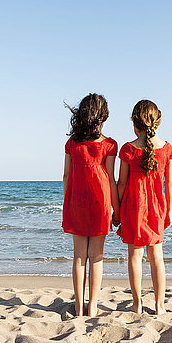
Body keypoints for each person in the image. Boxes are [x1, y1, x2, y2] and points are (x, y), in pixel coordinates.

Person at [62, 93, 120, 317]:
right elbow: (110, 180)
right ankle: (93, 306)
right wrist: (116, 209)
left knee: (79, 256)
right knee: (96, 256)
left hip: (76, 201)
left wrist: (68, 200)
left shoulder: (71, 143)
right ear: (102, 116)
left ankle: (78, 307)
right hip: (100, 203)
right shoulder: (109, 145)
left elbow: (66, 176)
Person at [117, 99, 172, 315]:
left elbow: (121, 183)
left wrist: (117, 209)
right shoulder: (166, 149)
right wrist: (168, 209)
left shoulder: (128, 149)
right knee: (157, 256)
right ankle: (160, 306)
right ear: (157, 122)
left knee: (135, 256)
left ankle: (137, 304)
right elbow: (169, 184)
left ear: (134, 123)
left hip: (134, 205)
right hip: (156, 207)